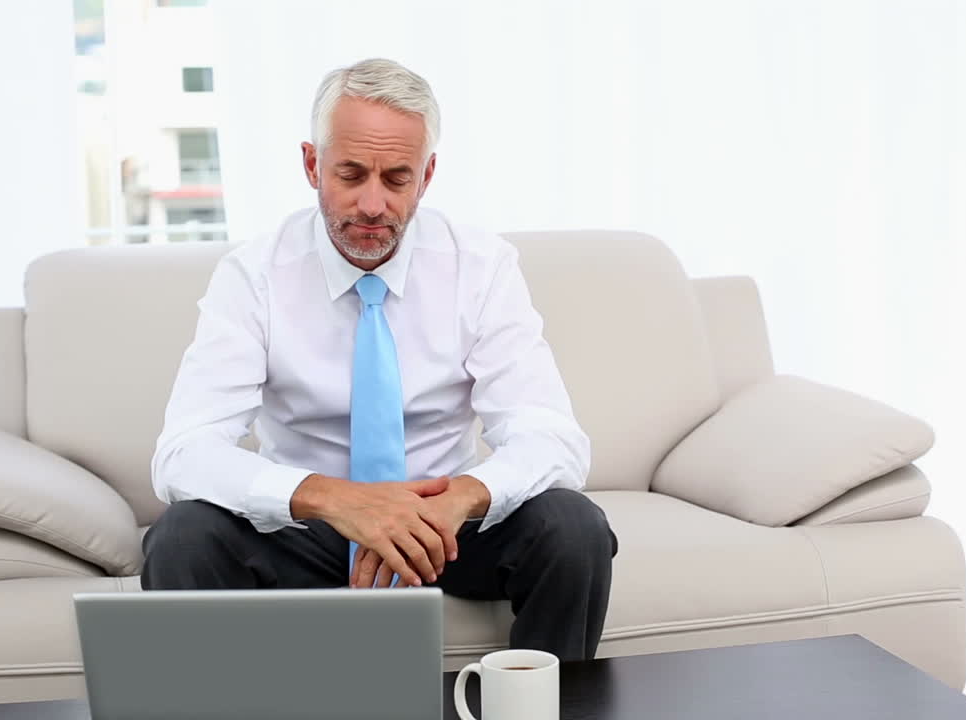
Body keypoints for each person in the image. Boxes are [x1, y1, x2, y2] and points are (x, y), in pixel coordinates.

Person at [141, 58, 618, 661]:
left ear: (427, 175)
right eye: (351, 173)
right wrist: (334, 499)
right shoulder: (254, 276)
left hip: (443, 530)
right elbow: (183, 452)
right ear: (313, 165)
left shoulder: (481, 266)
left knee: (571, 526)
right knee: (182, 536)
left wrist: (463, 497)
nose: (372, 204)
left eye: (397, 178)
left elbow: (553, 438)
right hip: (309, 527)